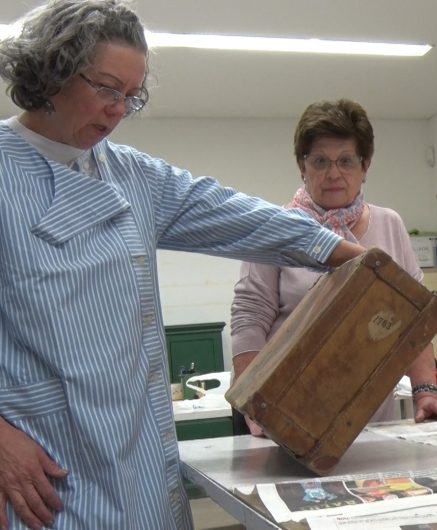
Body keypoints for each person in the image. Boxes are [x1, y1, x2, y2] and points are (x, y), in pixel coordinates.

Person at [0, 2, 366, 529]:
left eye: (131, 96)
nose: (117, 109)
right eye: (106, 87)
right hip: (46, 469)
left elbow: (243, 218)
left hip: (141, 462)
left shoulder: (133, 177)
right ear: (52, 71)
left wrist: (358, 261)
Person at [231, 98, 437, 435]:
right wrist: (254, 406)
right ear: (302, 166)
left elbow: (416, 320)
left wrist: (425, 392)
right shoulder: (276, 227)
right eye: (320, 161)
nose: (333, 173)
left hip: (368, 416)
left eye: (346, 161)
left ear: (365, 165)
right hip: (284, 413)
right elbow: (249, 315)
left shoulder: (389, 224)